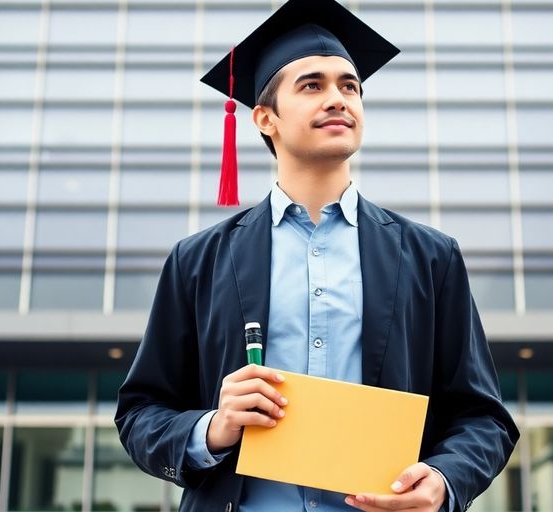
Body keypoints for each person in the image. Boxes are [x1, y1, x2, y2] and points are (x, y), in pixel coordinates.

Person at [115, 1, 519, 511]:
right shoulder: (199, 260)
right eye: (312, 85)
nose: (338, 99)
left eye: (350, 86)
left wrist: (443, 479)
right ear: (265, 119)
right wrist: (213, 428)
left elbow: (483, 417)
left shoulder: (429, 256)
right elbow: (140, 413)